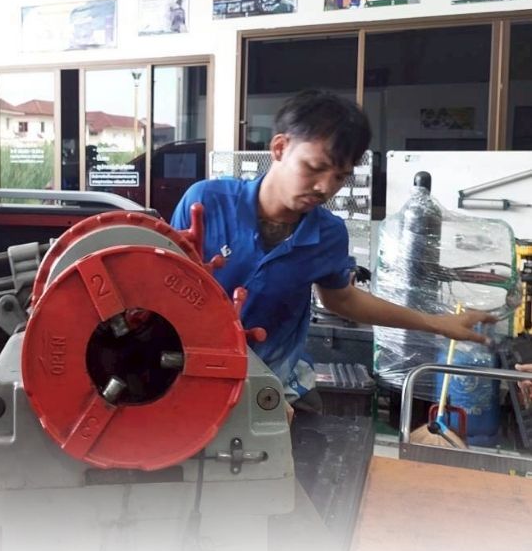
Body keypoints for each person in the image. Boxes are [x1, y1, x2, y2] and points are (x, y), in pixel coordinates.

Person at [169, 89, 495, 415]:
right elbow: (163, 286)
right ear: (279, 148)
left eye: (340, 177)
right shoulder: (207, 203)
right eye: (315, 167)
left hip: (279, 382)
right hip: (192, 375)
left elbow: (342, 300)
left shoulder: (328, 234)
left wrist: (437, 323)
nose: (325, 188)